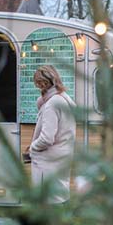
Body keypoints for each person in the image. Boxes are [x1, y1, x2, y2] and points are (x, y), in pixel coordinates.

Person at [28, 65, 75, 203]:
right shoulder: (63, 99)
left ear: (42, 83)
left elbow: (47, 138)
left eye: (38, 83)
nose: (38, 87)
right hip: (61, 157)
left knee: (48, 202)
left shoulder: (52, 104)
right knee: (60, 197)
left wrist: (33, 148)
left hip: (47, 163)